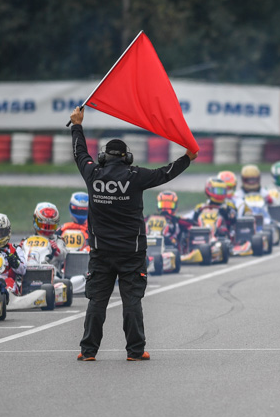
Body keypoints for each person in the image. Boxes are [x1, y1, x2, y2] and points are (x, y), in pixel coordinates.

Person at [70, 106, 196, 362]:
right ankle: (135, 351)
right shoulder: (136, 175)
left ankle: (88, 351)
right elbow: (166, 173)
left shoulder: (93, 174)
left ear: (105, 157)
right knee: (132, 301)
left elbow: (79, 153)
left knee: (97, 301)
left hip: (101, 252)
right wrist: (188, 158)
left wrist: (77, 125)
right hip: (131, 252)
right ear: (126, 157)